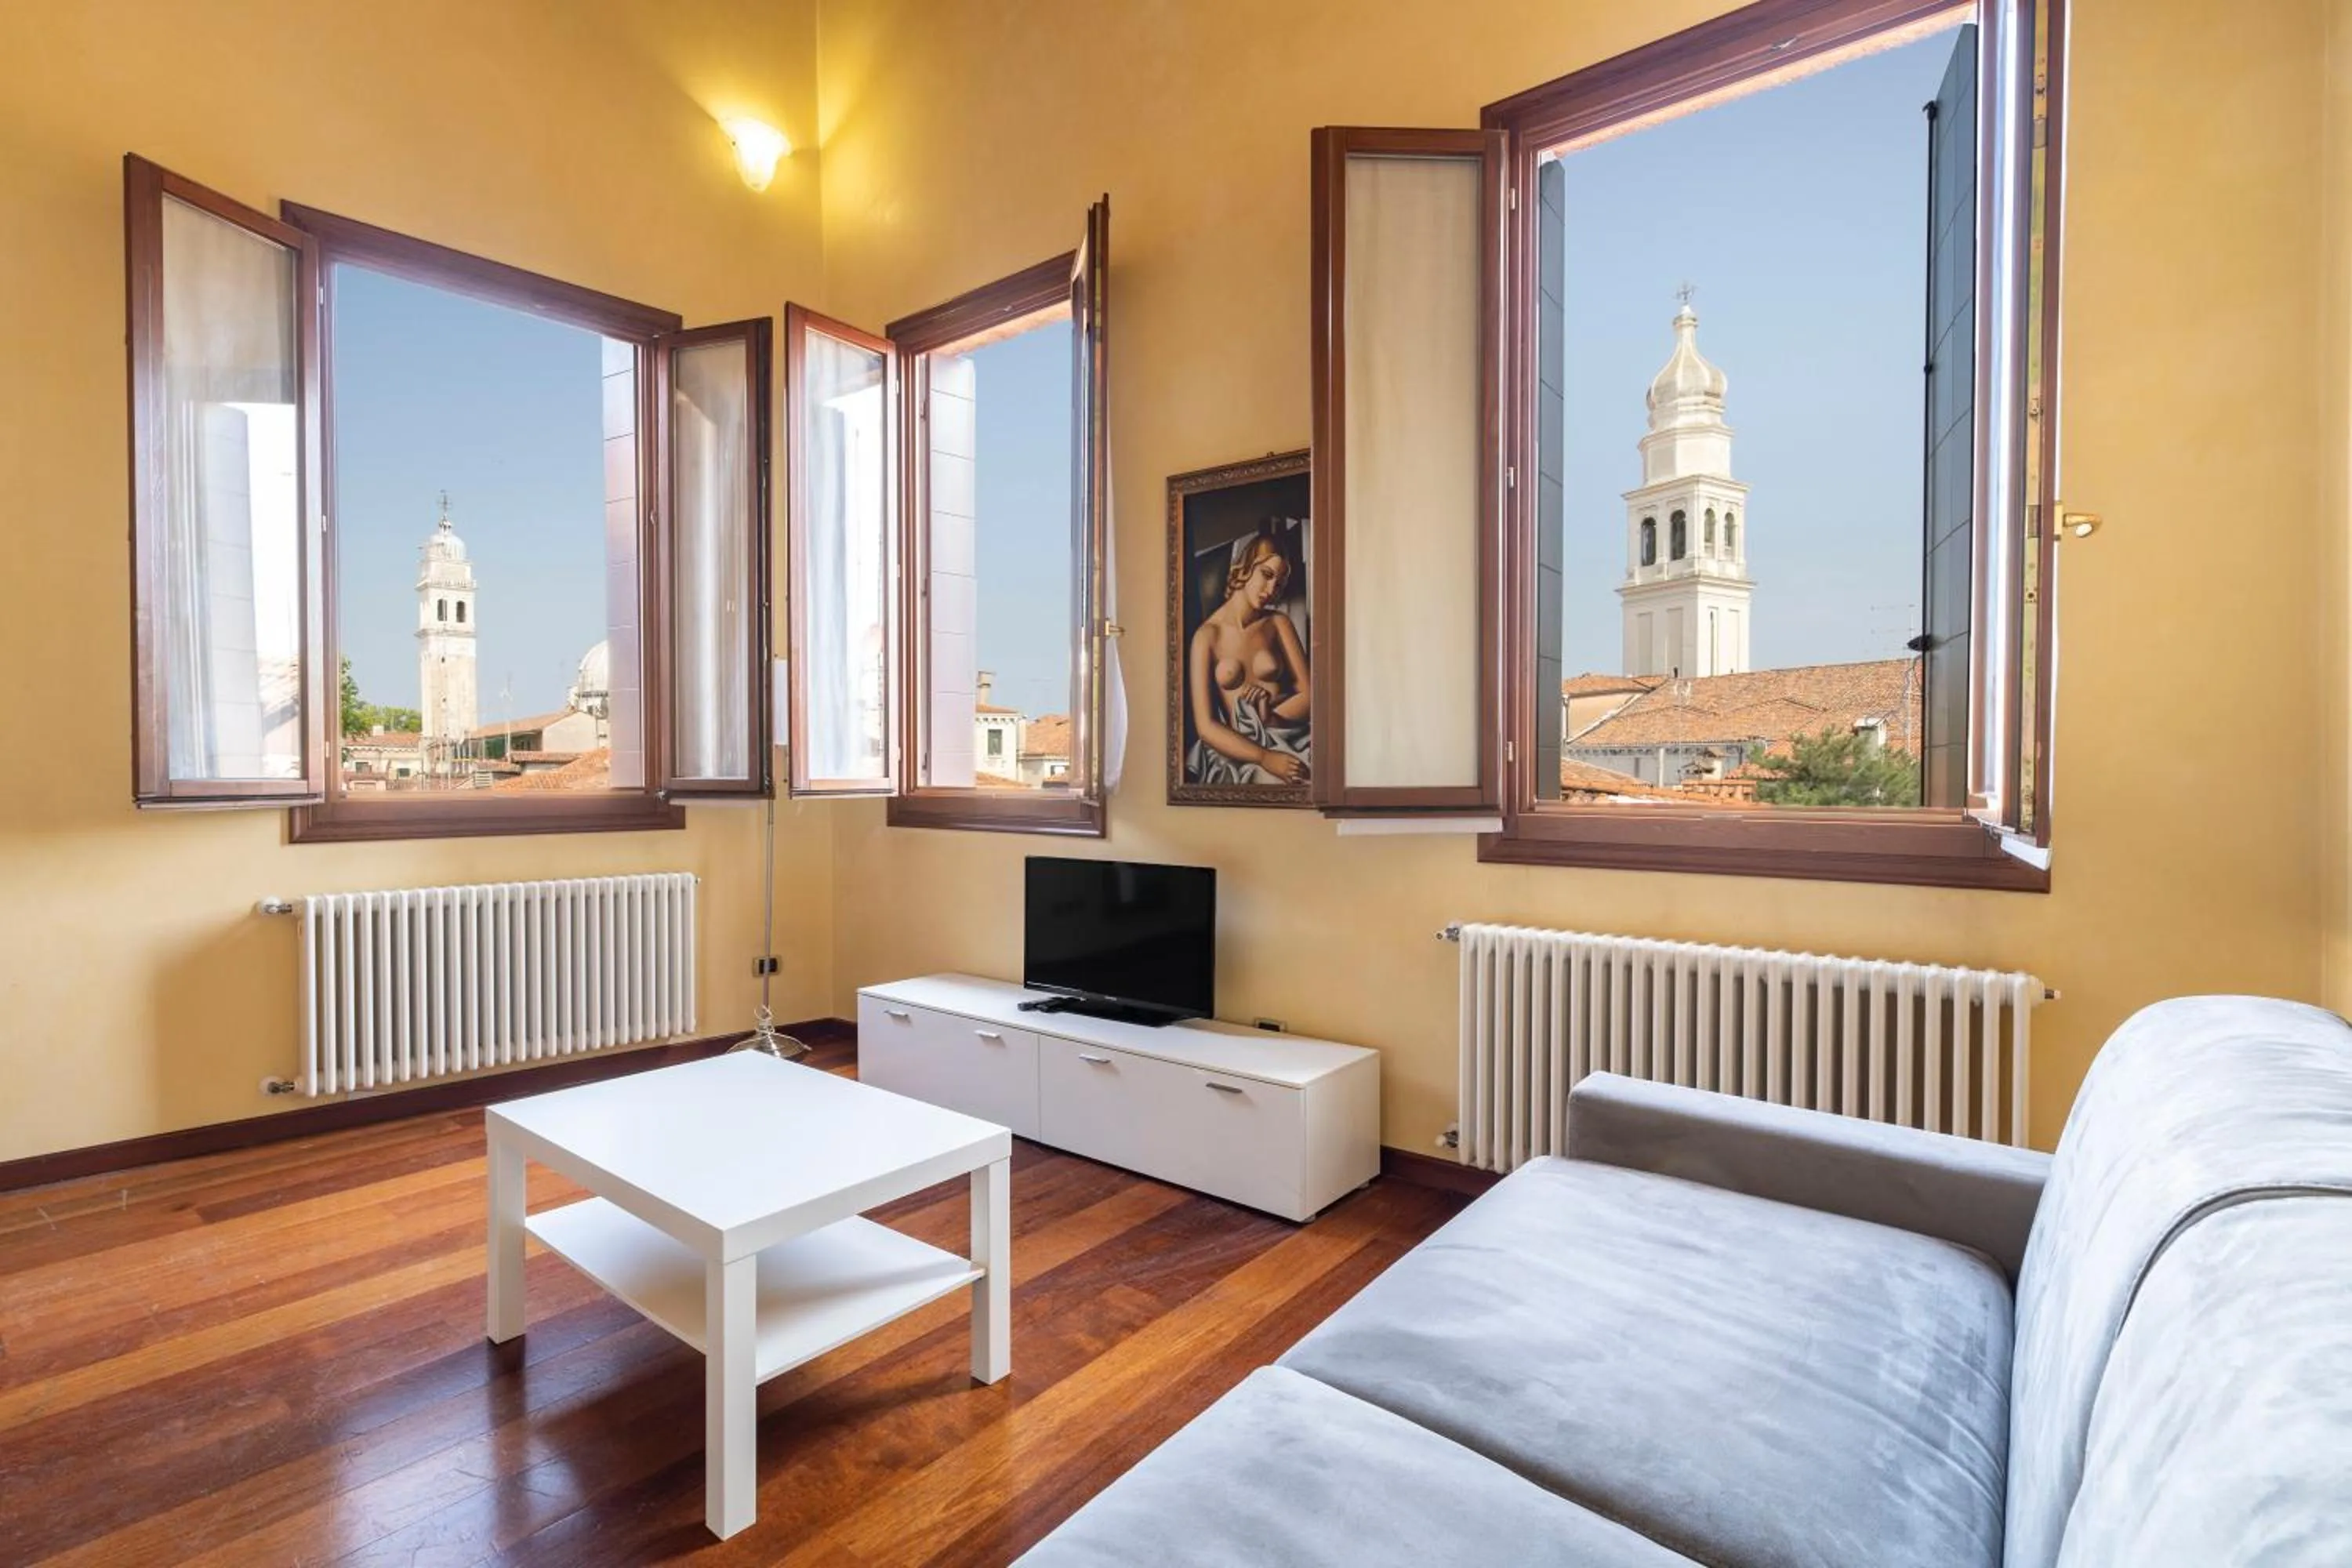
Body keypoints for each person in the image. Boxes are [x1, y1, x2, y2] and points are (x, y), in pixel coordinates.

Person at [1187, 528, 1311, 786]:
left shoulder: (1278, 624)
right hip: (1241, 750)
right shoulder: (1206, 637)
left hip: (1287, 733)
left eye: (1280, 583)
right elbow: (1206, 726)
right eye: (1266, 574)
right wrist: (1264, 757)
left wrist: (1271, 718)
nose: (1271, 589)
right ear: (1245, 567)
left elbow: (1309, 695)